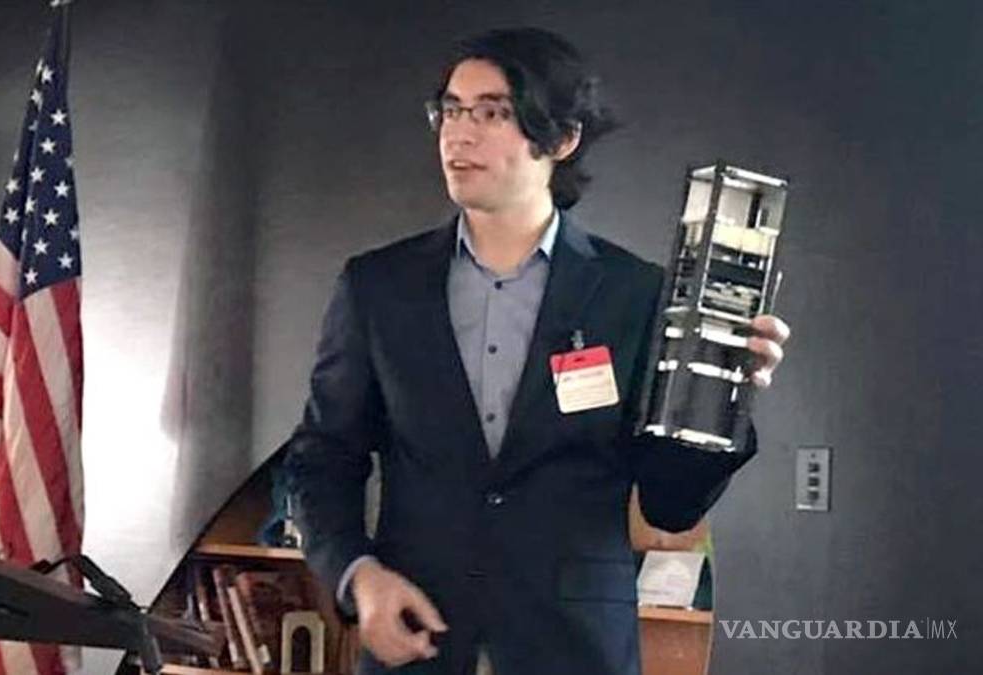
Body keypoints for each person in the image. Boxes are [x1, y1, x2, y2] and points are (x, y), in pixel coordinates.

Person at [284, 27, 790, 675]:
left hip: (574, 648)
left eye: (492, 112)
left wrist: (724, 401)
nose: (459, 134)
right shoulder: (378, 287)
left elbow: (671, 504)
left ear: (561, 138)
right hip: (419, 638)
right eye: (451, 110)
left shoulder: (635, 295)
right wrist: (358, 575)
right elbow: (323, 456)